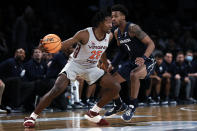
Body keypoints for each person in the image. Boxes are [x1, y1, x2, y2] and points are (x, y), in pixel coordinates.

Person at [23, 9, 121, 128]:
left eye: (112, 23)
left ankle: (93, 112)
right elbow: (64, 45)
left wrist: (105, 63)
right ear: (100, 23)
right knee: (57, 89)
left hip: (91, 67)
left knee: (115, 87)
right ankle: (32, 117)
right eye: (108, 23)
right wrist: (46, 49)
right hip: (75, 65)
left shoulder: (109, 36)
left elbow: (103, 50)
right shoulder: (85, 33)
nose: (111, 25)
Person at [104, 4, 155, 122]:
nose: (113, 19)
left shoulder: (133, 28)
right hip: (132, 61)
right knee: (111, 82)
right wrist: (113, 64)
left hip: (147, 61)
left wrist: (143, 57)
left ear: (123, 17)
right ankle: (119, 105)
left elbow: (151, 44)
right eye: (112, 17)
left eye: (115, 16)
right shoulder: (117, 33)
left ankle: (132, 106)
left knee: (134, 74)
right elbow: (122, 51)